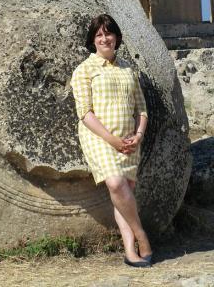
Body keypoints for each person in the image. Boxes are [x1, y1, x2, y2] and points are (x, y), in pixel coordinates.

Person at [70, 14, 153, 267]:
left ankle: (130, 251)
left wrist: (138, 136)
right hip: (100, 137)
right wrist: (112, 140)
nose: (104, 38)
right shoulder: (84, 70)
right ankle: (142, 236)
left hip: (129, 139)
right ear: (92, 41)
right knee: (116, 184)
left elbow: (142, 109)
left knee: (124, 194)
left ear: (116, 37)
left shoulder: (128, 69)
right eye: (99, 35)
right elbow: (84, 113)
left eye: (108, 33)